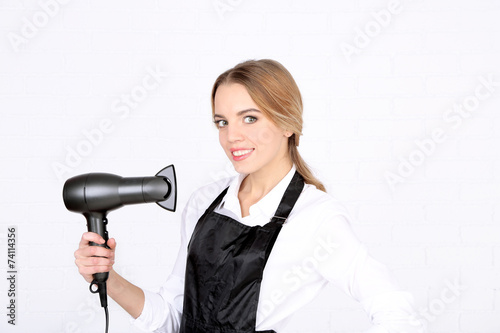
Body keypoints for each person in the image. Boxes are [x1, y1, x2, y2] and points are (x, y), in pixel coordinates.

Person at [74, 59, 424, 332]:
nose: (232, 137)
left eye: (250, 118)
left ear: (288, 124)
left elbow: (399, 315)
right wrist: (109, 279)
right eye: (222, 122)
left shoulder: (316, 217)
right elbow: (173, 319)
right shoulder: (204, 203)